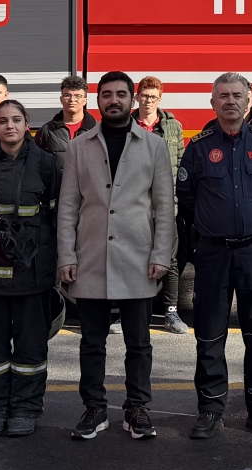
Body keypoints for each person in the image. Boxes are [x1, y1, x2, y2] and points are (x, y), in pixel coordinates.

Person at [58, 71, 177, 440]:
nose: (114, 100)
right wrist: (66, 255)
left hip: (139, 259)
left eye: (121, 94)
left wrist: (162, 254)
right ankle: (94, 409)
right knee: (91, 341)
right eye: (107, 94)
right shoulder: (80, 146)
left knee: (138, 342)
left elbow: (163, 206)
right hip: (90, 257)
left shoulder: (153, 145)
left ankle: (137, 408)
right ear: (98, 101)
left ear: (133, 99)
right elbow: (68, 207)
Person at [176, 73, 252, 438]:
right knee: (209, 334)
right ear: (212, 103)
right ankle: (210, 409)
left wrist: (250, 220)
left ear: (249, 100)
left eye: (237, 95)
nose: (230, 101)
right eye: (222, 96)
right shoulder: (199, 146)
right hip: (213, 253)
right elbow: (187, 198)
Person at [0, 97, 62, 437]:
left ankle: (25, 408)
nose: (10, 126)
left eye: (16, 120)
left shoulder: (46, 164)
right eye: (3, 120)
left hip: (31, 268)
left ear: (27, 125)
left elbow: (55, 218)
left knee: (30, 345)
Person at [133, 76, 190, 335]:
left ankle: (170, 312)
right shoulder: (126, 124)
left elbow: (179, 165)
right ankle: (129, 312)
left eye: (153, 96)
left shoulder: (173, 127)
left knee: (170, 260)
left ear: (160, 98)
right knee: (130, 258)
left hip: (166, 205)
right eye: (144, 95)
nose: (148, 100)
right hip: (133, 207)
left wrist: (175, 200)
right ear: (137, 97)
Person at [36, 74, 98, 174]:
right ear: (61, 99)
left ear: (85, 101)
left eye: (78, 96)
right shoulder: (47, 131)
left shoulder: (97, 129)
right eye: (67, 95)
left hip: (89, 189)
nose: (72, 100)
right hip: (57, 189)